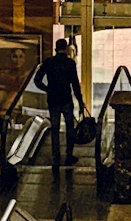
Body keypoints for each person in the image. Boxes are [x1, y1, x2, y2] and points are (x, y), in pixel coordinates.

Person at [34, 38, 86, 172]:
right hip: (66, 100)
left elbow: (37, 80)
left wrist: (47, 89)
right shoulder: (70, 63)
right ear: (66, 48)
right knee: (70, 127)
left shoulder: (49, 62)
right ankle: (69, 155)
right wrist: (80, 102)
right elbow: (75, 84)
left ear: (56, 49)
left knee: (55, 129)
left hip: (53, 100)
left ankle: (55, 158)